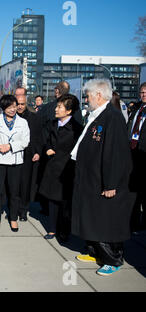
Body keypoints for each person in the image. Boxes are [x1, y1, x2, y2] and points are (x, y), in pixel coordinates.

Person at [71, 79, 134, 276]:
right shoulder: (96, 115)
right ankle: (95, 252)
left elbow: (115, 153)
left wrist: (111, 183)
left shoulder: (112, 117)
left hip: (104, 181)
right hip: (90, 179)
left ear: (99, 95)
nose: (86, 99)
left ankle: (112, 259)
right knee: (91, 218)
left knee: (105, 221)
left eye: (88, 96)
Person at [38, 94, 83, 241]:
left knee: (65, 202)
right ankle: (52, 229)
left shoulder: (76, 128)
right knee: (52, 199)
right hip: (52, 167)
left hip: (67, 169)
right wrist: (47, 149)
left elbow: (77, 150)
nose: (56, 109)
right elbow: (45, 141)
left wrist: (59, 152)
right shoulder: (52, 124)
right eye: (57, 106)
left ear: (69, 111)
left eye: (59, 107)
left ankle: (64, 231)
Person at [0, 94, 30, 233]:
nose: (12, 109)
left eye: (14, 106)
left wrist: (10, 146)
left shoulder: (23, 123)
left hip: (16, 162)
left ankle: (13, 218)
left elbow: (25, 141)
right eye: (9, 107)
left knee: (14, 192)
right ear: (3, 108)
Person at [16, 92, 42, 222]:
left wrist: (37, 152)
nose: (20, 107)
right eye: (18, 104)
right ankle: (14, 209)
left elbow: (37, 136)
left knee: (25, 184)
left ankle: (23, 210)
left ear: (26, 104)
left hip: (28, 155)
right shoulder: (10, 117)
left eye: (22, 104)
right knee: (14, 183)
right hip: (13, 155)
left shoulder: (33, 118)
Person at [127, 82, 146, 233]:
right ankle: (133, 223)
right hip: (132, 153)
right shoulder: (136, 108)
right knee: (133, 192)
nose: (143, 95)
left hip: (143, 154)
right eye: (142, 92)